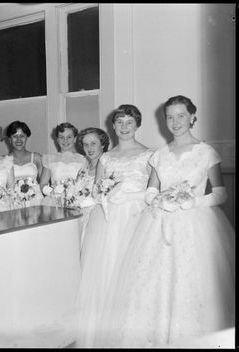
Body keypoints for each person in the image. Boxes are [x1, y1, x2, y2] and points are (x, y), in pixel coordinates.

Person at [94, 95, 235, 347]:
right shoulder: (159, 154)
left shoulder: (206, 152)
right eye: (170, 117)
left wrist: (193, 202)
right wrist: (158, 198)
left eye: (181, 115)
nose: (175, 121)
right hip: (159, 222)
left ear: (193, 117)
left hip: (195, 224)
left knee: (191, 281)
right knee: (152, 283)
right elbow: (151, 189)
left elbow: (221, 193)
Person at [75, 104, 153, 347]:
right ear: (113, 126)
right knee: (106, 269)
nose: (124, 127)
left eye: (130, 122)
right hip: (108, 218)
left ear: (137, 125)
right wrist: (107, 194)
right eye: (120, 122)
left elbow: (153, 190)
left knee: (132, 271)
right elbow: (98, 190)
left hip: (136, 216)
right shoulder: (106, 157)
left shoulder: (149, 154)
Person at [39, 122, 87, 207]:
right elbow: (43, 184)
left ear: (75, 138)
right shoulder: (50, 159)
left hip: (76, 201)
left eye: (69, 137)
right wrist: (53, 193)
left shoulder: (83, 160)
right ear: (57, 139)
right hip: (54, 202)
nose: (65, 140)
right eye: (61, 137)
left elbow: (84, 183)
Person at [76, 127, 110, 246]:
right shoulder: (84, 167)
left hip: (97, 218)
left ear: (103, 144)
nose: (89, 148)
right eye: (85, 144)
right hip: (80, 216)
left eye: (93, 143)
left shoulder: (108, 166)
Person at [5, 121, 44, 208]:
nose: (19, 140)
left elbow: (44, 184)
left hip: (36, 202)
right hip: (14, 204)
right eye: (15, 136)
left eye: (22, 136)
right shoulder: (4, 160)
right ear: (9, 139)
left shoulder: (37, 158)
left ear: (27, 138)